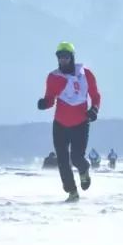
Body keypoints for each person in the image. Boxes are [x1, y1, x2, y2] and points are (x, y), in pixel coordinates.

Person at [37, 41, 101, 202]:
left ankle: (84, 170)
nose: (62, 60)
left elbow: (95, 96)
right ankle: (72, 192)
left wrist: (94, 110)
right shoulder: (53, 77)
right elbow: (50, 99)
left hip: (80, 123)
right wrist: (44, 103)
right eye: (59, 57)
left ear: (72, 57)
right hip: (60, 124)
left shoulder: (86, 74)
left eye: (65, 57)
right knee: (62, 161)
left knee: (77, 158)